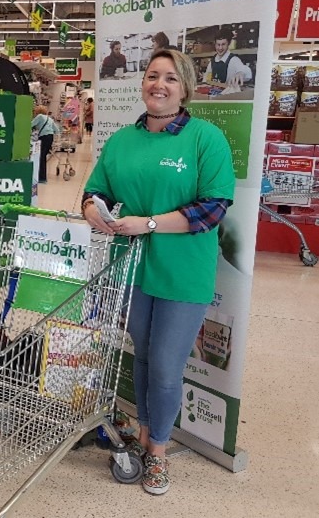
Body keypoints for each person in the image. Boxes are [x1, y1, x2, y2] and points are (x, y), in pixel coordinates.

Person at [81, 49, 235, 496]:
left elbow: (212, 208)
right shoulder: (122, 141)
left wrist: (147, 224)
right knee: (143, 354)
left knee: (167, 367)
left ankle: (159, 455)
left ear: (184, 88)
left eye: (170, 78)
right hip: (130, 270)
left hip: (183, 271)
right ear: (142, 82)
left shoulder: (206, 139)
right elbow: (95, 189)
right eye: (152, 76)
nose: (159, 85)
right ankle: (146, 434)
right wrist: (93, 210)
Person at [31, 105, 59, 183]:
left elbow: (31, 124)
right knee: (43, 157)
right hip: (50, 137)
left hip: (44, 137)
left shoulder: (39, 116)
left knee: (41, 157)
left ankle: (42, 178)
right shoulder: (49, 118)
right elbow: (56, 130)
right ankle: (42, 177)